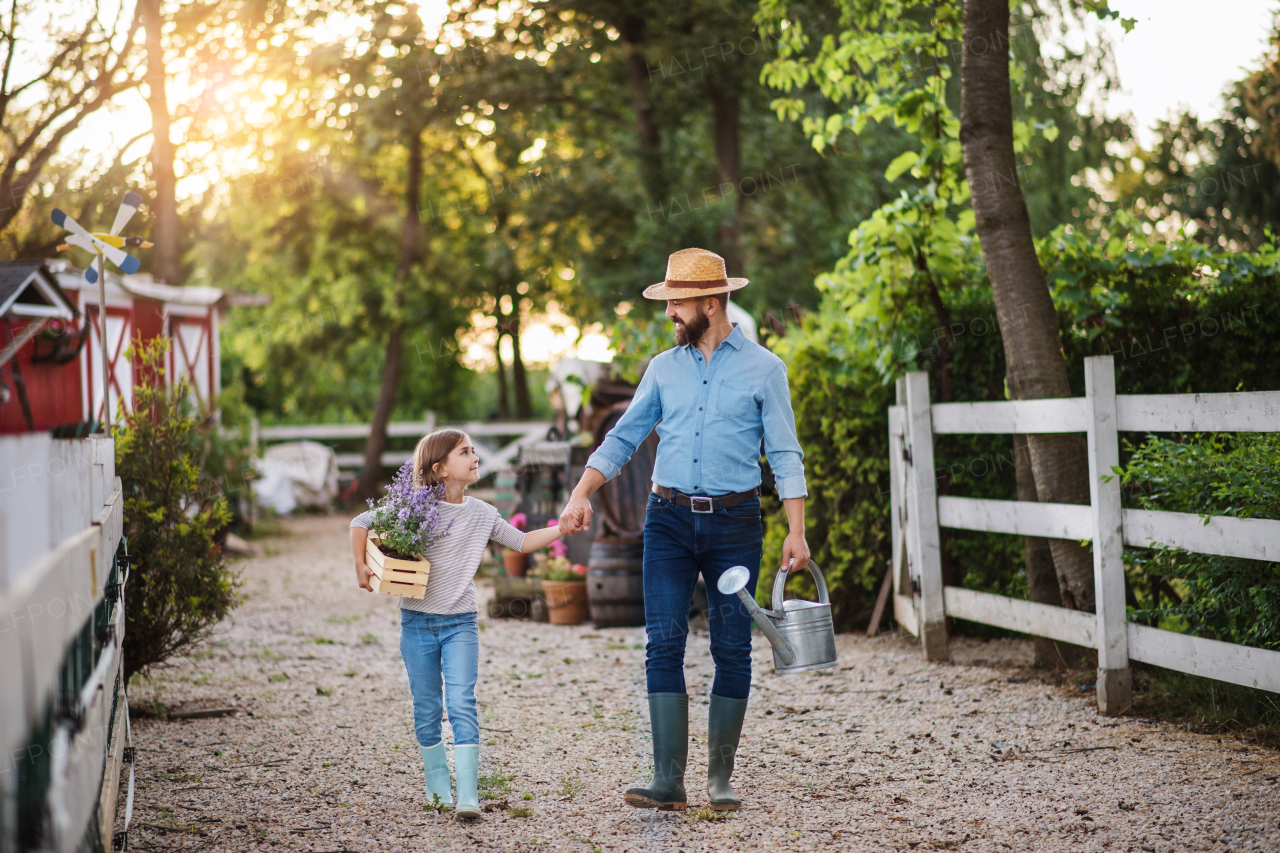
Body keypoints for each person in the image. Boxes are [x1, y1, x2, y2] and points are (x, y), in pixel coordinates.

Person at [558, 247, 810, 812]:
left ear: (712, 302)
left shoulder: (766, 370)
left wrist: (797, 531)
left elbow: (787, 455)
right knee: (663, 643)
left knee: (731, 648)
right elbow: (622, 439)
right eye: (668, 301)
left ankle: (720, 781)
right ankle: (667, 782)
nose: (669, 311)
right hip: (667, 522)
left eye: (678, 302)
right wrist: (580, 493)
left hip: (737, 526)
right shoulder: (662, 369)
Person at [350, 429, 576, 819]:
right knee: (426, 707)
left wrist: (562, 529)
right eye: (464, 452)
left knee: (461, 703)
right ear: (440, 469)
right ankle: (438, 787)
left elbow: (521, 542)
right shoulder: (413, 508)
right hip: (417, 622)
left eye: (474, 451)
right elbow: (361, 519)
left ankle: (468, 794)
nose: (474, 458)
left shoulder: (483, 514)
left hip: (460, 624)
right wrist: (360, 564)